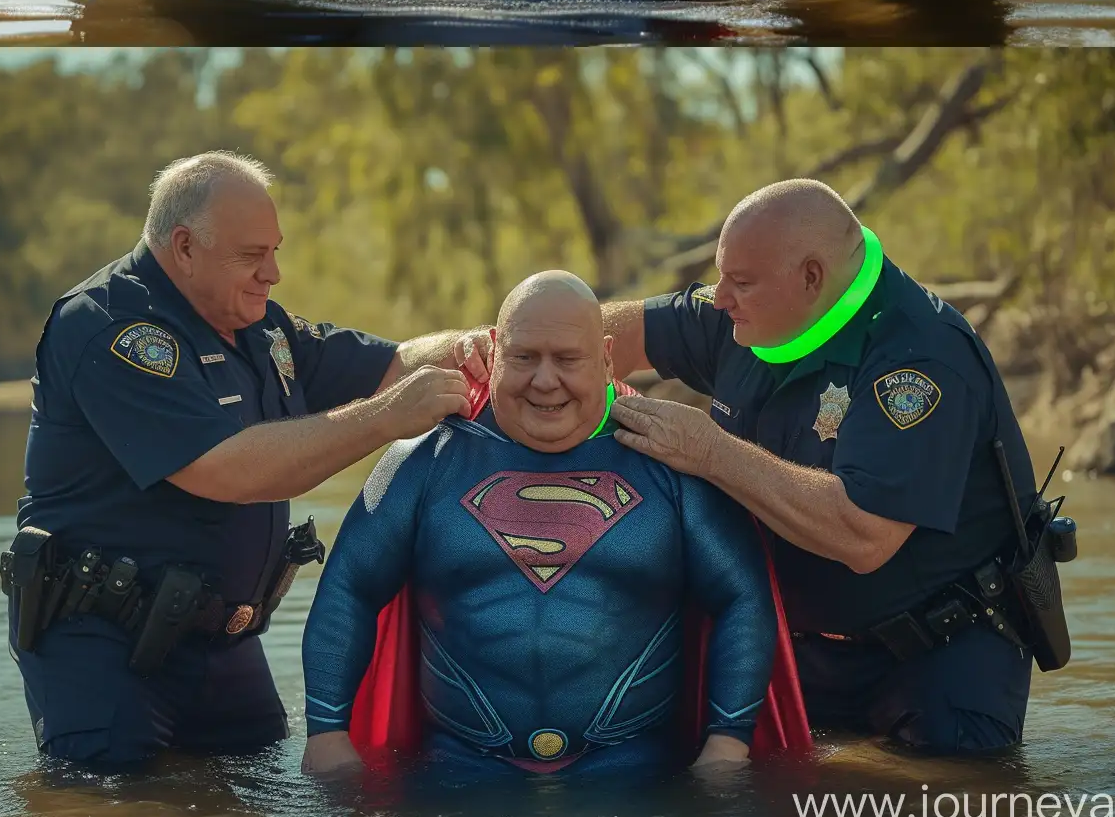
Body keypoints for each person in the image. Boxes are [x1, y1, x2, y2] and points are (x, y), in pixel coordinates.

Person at [4, 151, 483, 769]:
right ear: (183, 248)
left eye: (275, 251)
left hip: (217, 638)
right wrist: (387, 417)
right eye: (252, 256)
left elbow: (394, 363)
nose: (274, 273)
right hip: (104, 648)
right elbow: (224, 468)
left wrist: (492, 345)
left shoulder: (259, 326)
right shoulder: (108, 327)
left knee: (258, 806)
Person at [600, 179, 1055, 752]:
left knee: (938, 814)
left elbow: (863, 534)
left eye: (740, 283)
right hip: (804, 650)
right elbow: (590, 336)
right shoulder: (741, 311)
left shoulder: (920, 356)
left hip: (938, 655)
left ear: (811, 277)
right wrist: (485, 353)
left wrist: (709, 451)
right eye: (723, 277)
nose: (719, 298)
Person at [300, 272, 781, 779]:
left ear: (607, 357)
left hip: (635, 774)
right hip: (458, 773)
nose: (545, 380)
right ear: (493, 352)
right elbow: (349, 586)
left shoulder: (671, 456)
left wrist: (728, 745)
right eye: (525, 357)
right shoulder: (424, 459)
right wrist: (327, 734)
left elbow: (741, 595)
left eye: (567, 359)